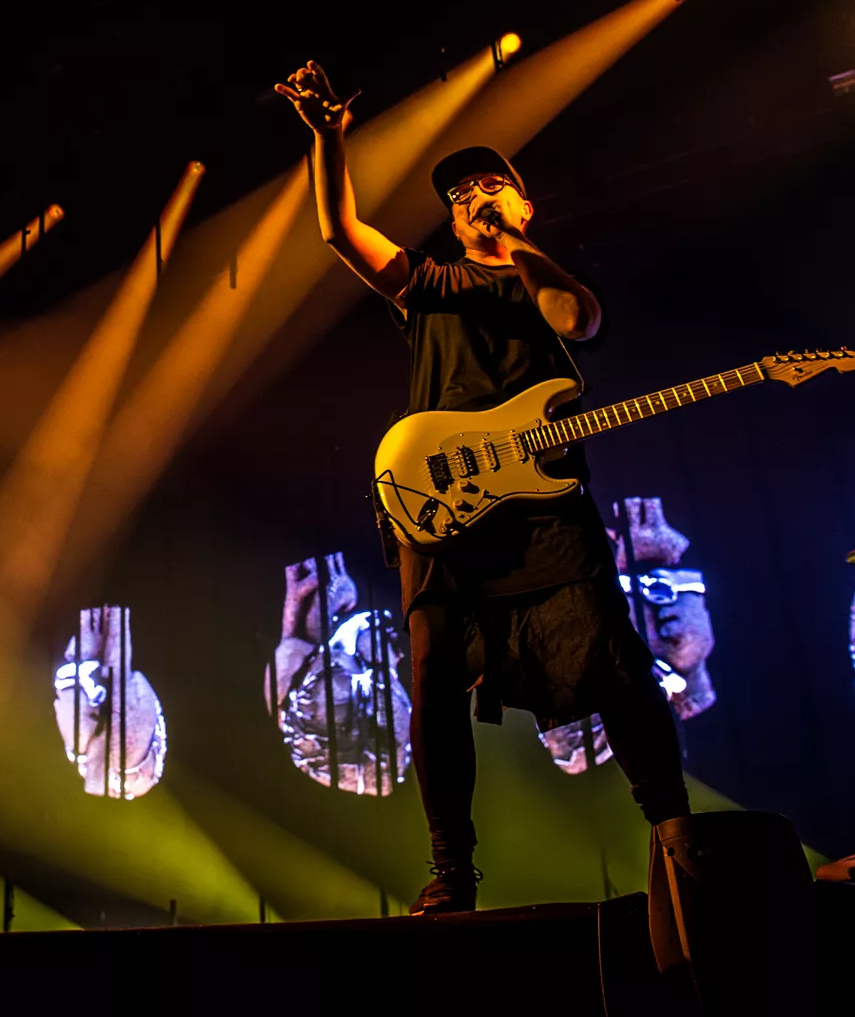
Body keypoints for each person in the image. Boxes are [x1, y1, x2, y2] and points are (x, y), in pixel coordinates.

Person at [275, 60, 688, 915]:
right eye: (461, 194)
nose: (473, 196)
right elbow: (341, 233)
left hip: (544, 504)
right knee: (432, 675)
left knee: (616, 664)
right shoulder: (431, 282)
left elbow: (577, 320)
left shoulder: (542, 281)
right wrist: (329, 140)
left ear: (524, 206)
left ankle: (681, 842)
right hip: (442, 504)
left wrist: (516, 245)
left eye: (491, 186)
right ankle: (452, 871)